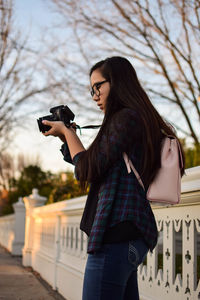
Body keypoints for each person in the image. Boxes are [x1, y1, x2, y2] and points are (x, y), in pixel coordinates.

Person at [42, 56, 185, 300]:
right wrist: (69, 138)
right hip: (128, 236)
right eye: (91, 90)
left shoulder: (126, 118)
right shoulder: (136, 118)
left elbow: (87, 169)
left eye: (98, 86)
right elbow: (92, 166)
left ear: (117, 82)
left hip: (115, 235)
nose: (95, 95)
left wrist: (67, 133)